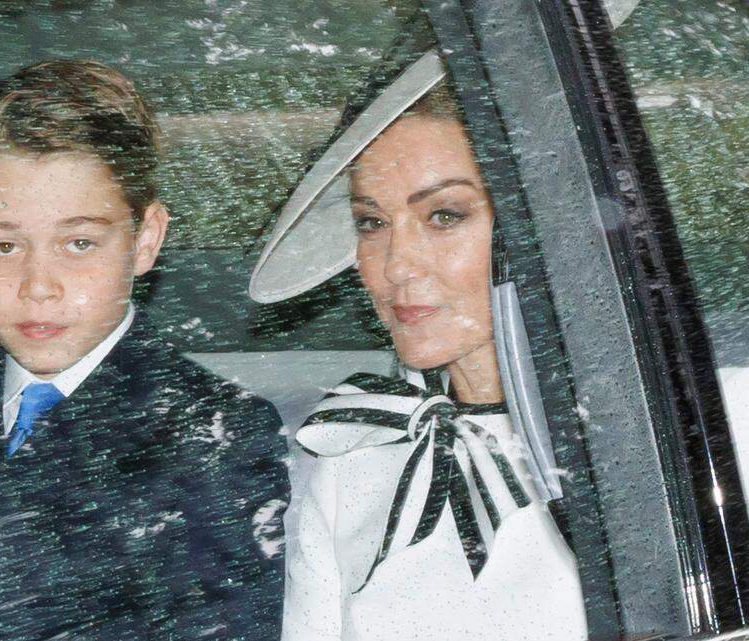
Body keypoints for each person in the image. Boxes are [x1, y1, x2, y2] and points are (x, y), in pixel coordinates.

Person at [0, 59, 288, 640]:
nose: (37, 286)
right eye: (3, 245)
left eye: (78, 243)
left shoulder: (212, 434)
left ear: (145, 240)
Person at [249, 52, 587, 640]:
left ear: (538, 222)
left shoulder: (694, 429)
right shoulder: (348, 460)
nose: (396, 266)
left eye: (444, 215)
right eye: (372, 223)